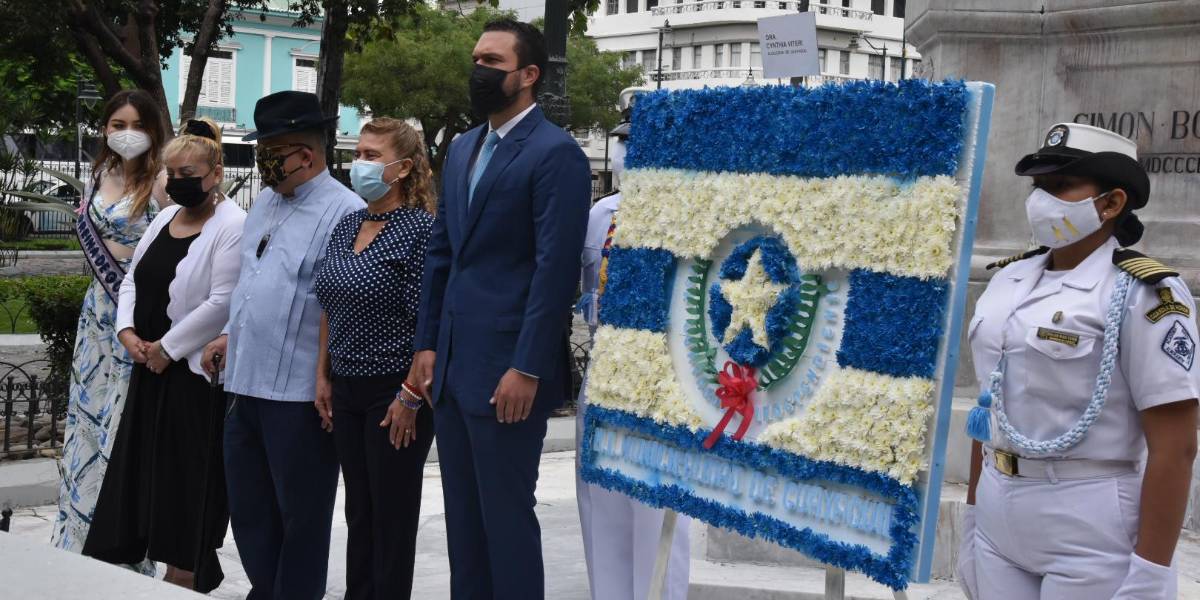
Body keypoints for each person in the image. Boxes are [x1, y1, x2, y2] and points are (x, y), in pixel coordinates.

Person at [957, 122, 1199, 600]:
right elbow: (990, 405)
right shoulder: (1010, 279)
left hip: (1088, 515)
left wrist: (1152, 571)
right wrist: (971, 513)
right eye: (1039, 186)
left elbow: (1176, 445)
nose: (1042, 199)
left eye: (1061, 186)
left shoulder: (1146, 293)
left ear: (1111, 204)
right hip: (997, 508)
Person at [406, 18, 591, 600]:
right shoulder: (462, 147)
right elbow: (442, 256)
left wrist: (528, 366)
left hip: (510, 373)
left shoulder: (556, 154)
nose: (478, 70)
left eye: (492, 61)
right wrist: (427, 346)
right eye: (476, 59)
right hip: (453, 369)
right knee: (462, 521)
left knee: (506, 520)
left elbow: (553, 273)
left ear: (529, 75)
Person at [201, 91, 363, 600]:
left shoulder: (346, 212)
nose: (261, 160)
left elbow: (341, 306)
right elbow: (254, 281)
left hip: (298, 393)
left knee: (302, 517)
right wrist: (228, 334)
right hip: (244, 384)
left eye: (269, 150)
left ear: (305, 156)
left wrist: (329, 377)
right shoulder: (266, 201)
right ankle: (268, 590)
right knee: (249, 512)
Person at [83, 118, 244, 593]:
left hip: (191, 375)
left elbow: (223, 300)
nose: (178, 182)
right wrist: (128, 330)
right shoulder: (161, 218)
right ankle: (152, 570)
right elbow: (133, 278)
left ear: (215, 173)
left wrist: (168, 350)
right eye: (171, 174)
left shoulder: (232, 225)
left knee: (186, 481)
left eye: (188, 172)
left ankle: (188, 575)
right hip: (148, 368)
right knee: (145, 477)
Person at [313, 117, 436, 600]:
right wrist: (322, 375)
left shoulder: (421, 230)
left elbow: (427, 322)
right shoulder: (348, 223)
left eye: (370, 156)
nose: (357, 163)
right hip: (345, 387)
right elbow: (328, 301)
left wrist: (409, 396)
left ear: (402, 168)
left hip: (395, 391)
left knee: (392, 514)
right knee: (358, 511)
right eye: (357, 153)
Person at [574, 121, 690, 600]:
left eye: (635, 142)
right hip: (603, 370)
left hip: (664, 377)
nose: (624, 151)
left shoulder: (687, 210)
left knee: (658, 515)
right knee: (601, 505)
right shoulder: (601, 214)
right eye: (622, 141)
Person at [53, 90, 169, 567]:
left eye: (135, 123)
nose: (126, 133)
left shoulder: (162, 180)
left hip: (134, 317)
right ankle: (76, 535)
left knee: (121, 425)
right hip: (96, 314)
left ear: (152, 130)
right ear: (104, 129)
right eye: (116, 123)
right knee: (86, 419)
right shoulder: (99, 175)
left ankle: (121, 545)